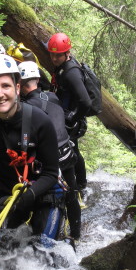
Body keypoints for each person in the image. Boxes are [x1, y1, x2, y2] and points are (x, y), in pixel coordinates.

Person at [0, 53, 62, 242]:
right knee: (3, 254)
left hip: (45, 192)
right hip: (8, 193)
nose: (0, 93)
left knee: (43, 251)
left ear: (17, 88)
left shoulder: (40, 121)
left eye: (6, 86)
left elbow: (51, 173)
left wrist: (29, 196)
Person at [18, 60, 81, 242]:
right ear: (38, 79)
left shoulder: (26, 109)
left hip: (48, 159)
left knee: (41, 192)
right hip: (67, 153)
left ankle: (36, 228)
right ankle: (75, 235)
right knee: (71, 194)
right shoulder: (53, 98)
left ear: (20, 84)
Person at [47, 32, 91, 198]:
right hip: (66, 116)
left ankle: (79, 185)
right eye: (52, 54)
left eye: (58, 55)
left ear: (67, 53)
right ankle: (80, 183)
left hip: (71, 119)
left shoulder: (71, 73)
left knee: (72, 150)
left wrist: (72, 119)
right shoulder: (63, 67)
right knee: (73, 149)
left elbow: (85, 102)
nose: (54, 58)